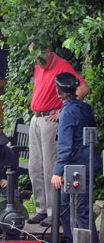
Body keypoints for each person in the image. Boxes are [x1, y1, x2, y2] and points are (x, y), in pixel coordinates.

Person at [28, 44, 90, 227]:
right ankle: (41, 208)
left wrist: (64, 110)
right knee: (35, 166)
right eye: (33, 56)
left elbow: (83, 89)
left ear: (48, 51)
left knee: (50, 166)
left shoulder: (62, 65)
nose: (36, 60)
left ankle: (53, 212)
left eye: (38, 56)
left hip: (50, 119)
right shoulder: (39, 65)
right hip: (36, 118)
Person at [51, 72, 101, 243]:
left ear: (58, 92)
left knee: (81, 208)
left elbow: (65, 146)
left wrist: (57, 172)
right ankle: (73, 242)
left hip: (81, 166)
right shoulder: (84, 107)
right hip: (82, 164)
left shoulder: (67, 113)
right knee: (65, 203)